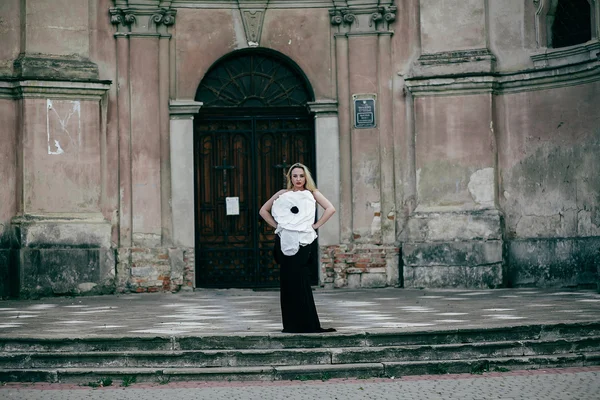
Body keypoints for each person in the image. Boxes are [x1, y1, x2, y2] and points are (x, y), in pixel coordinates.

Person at [259, 163, 336, 333]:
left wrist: (315, 226)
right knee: (287, 281)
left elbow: (331, 209)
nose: (298, 179)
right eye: (295, 176)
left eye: (301, 176)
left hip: (303, 242)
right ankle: (291, 324)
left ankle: (307, 323)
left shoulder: (312, 193)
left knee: (300, 279)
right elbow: (263, 211)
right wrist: (278, 226)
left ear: (306, 177)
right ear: (290, 178)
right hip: (285, 240)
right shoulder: (282, 194)